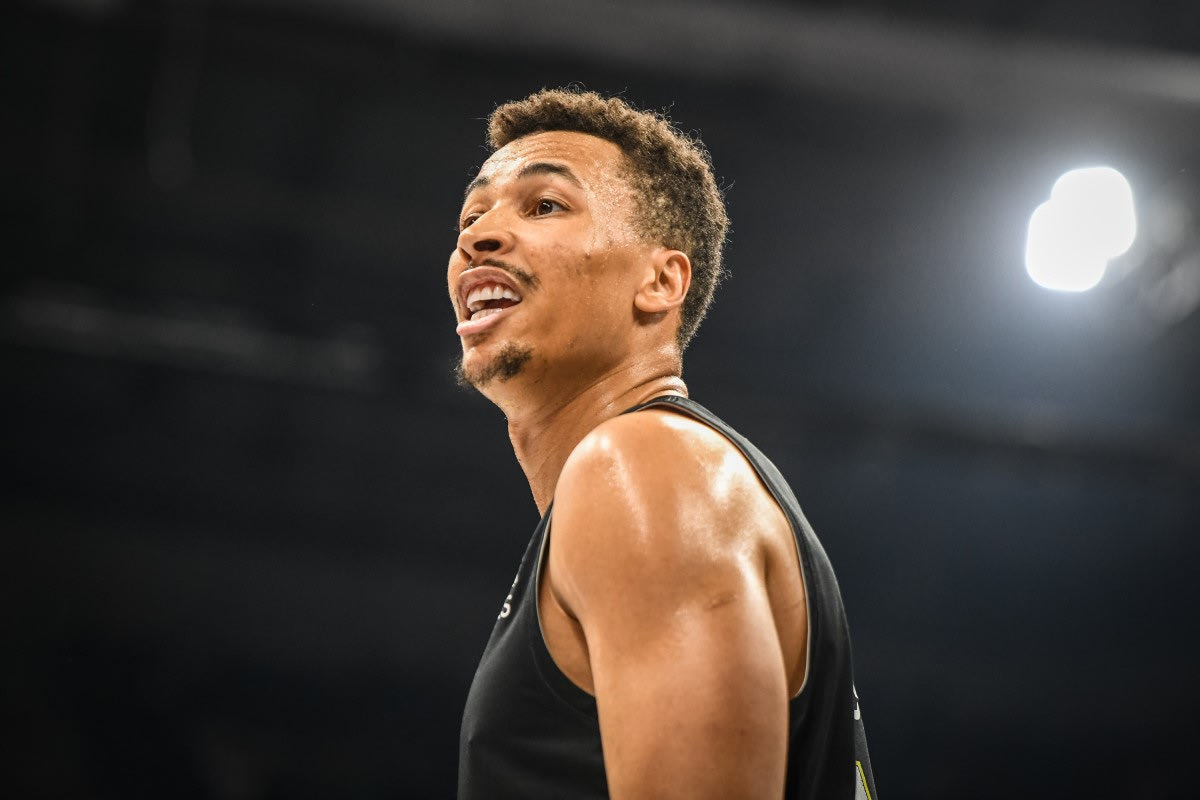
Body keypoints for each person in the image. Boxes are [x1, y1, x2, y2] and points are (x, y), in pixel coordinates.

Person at [452, 88, 878, 800]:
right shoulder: (665, 474)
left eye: (545, 205)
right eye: (471, 217)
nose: (479, 237)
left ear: (659, 281)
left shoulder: (646, 465)